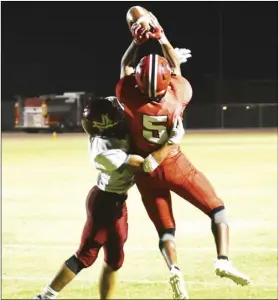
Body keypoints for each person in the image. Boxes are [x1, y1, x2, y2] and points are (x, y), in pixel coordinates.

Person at [116, 9, 251, 300]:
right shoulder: (179, 94)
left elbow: (125, 66)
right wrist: (161, 36)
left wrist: (135, 43)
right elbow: (175, 67)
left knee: (166, 230)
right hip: (173, 162)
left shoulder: (129, 94)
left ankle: (175, 270)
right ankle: (223, 259)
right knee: (217, 209)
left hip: (145, 169)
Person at [32, 96, 185, 300]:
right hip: (104, 203)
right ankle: (45, 296)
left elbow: (122, 92)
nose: (121, 117)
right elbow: (146, 165)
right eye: (116, 117)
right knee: (85, 256)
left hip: (117, 202)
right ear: (105, 125)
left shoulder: (110, 129)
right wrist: (172, 141)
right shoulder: (103, 152)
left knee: (115, 259)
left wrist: (128, 63)